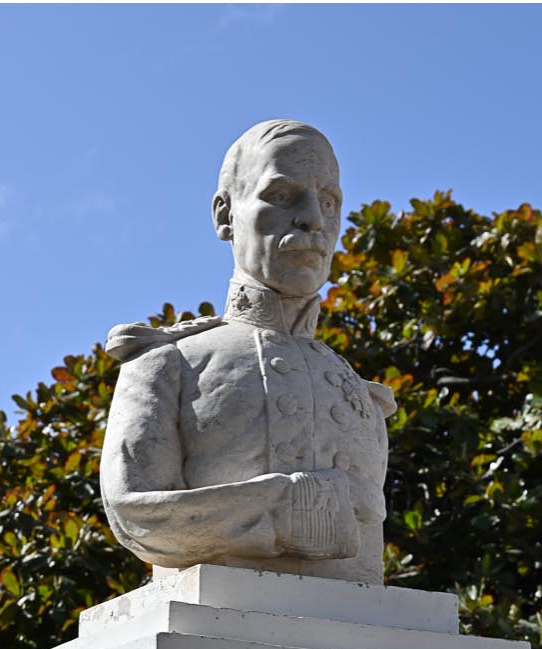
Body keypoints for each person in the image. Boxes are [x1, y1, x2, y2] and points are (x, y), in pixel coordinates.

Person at [99, 119, 398, 585]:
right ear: (224, 214)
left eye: (329, 202)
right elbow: (137, 513)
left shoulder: (361, 397)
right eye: (281, 195)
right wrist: (303, 506)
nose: (313, 219)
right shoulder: (167, 366)